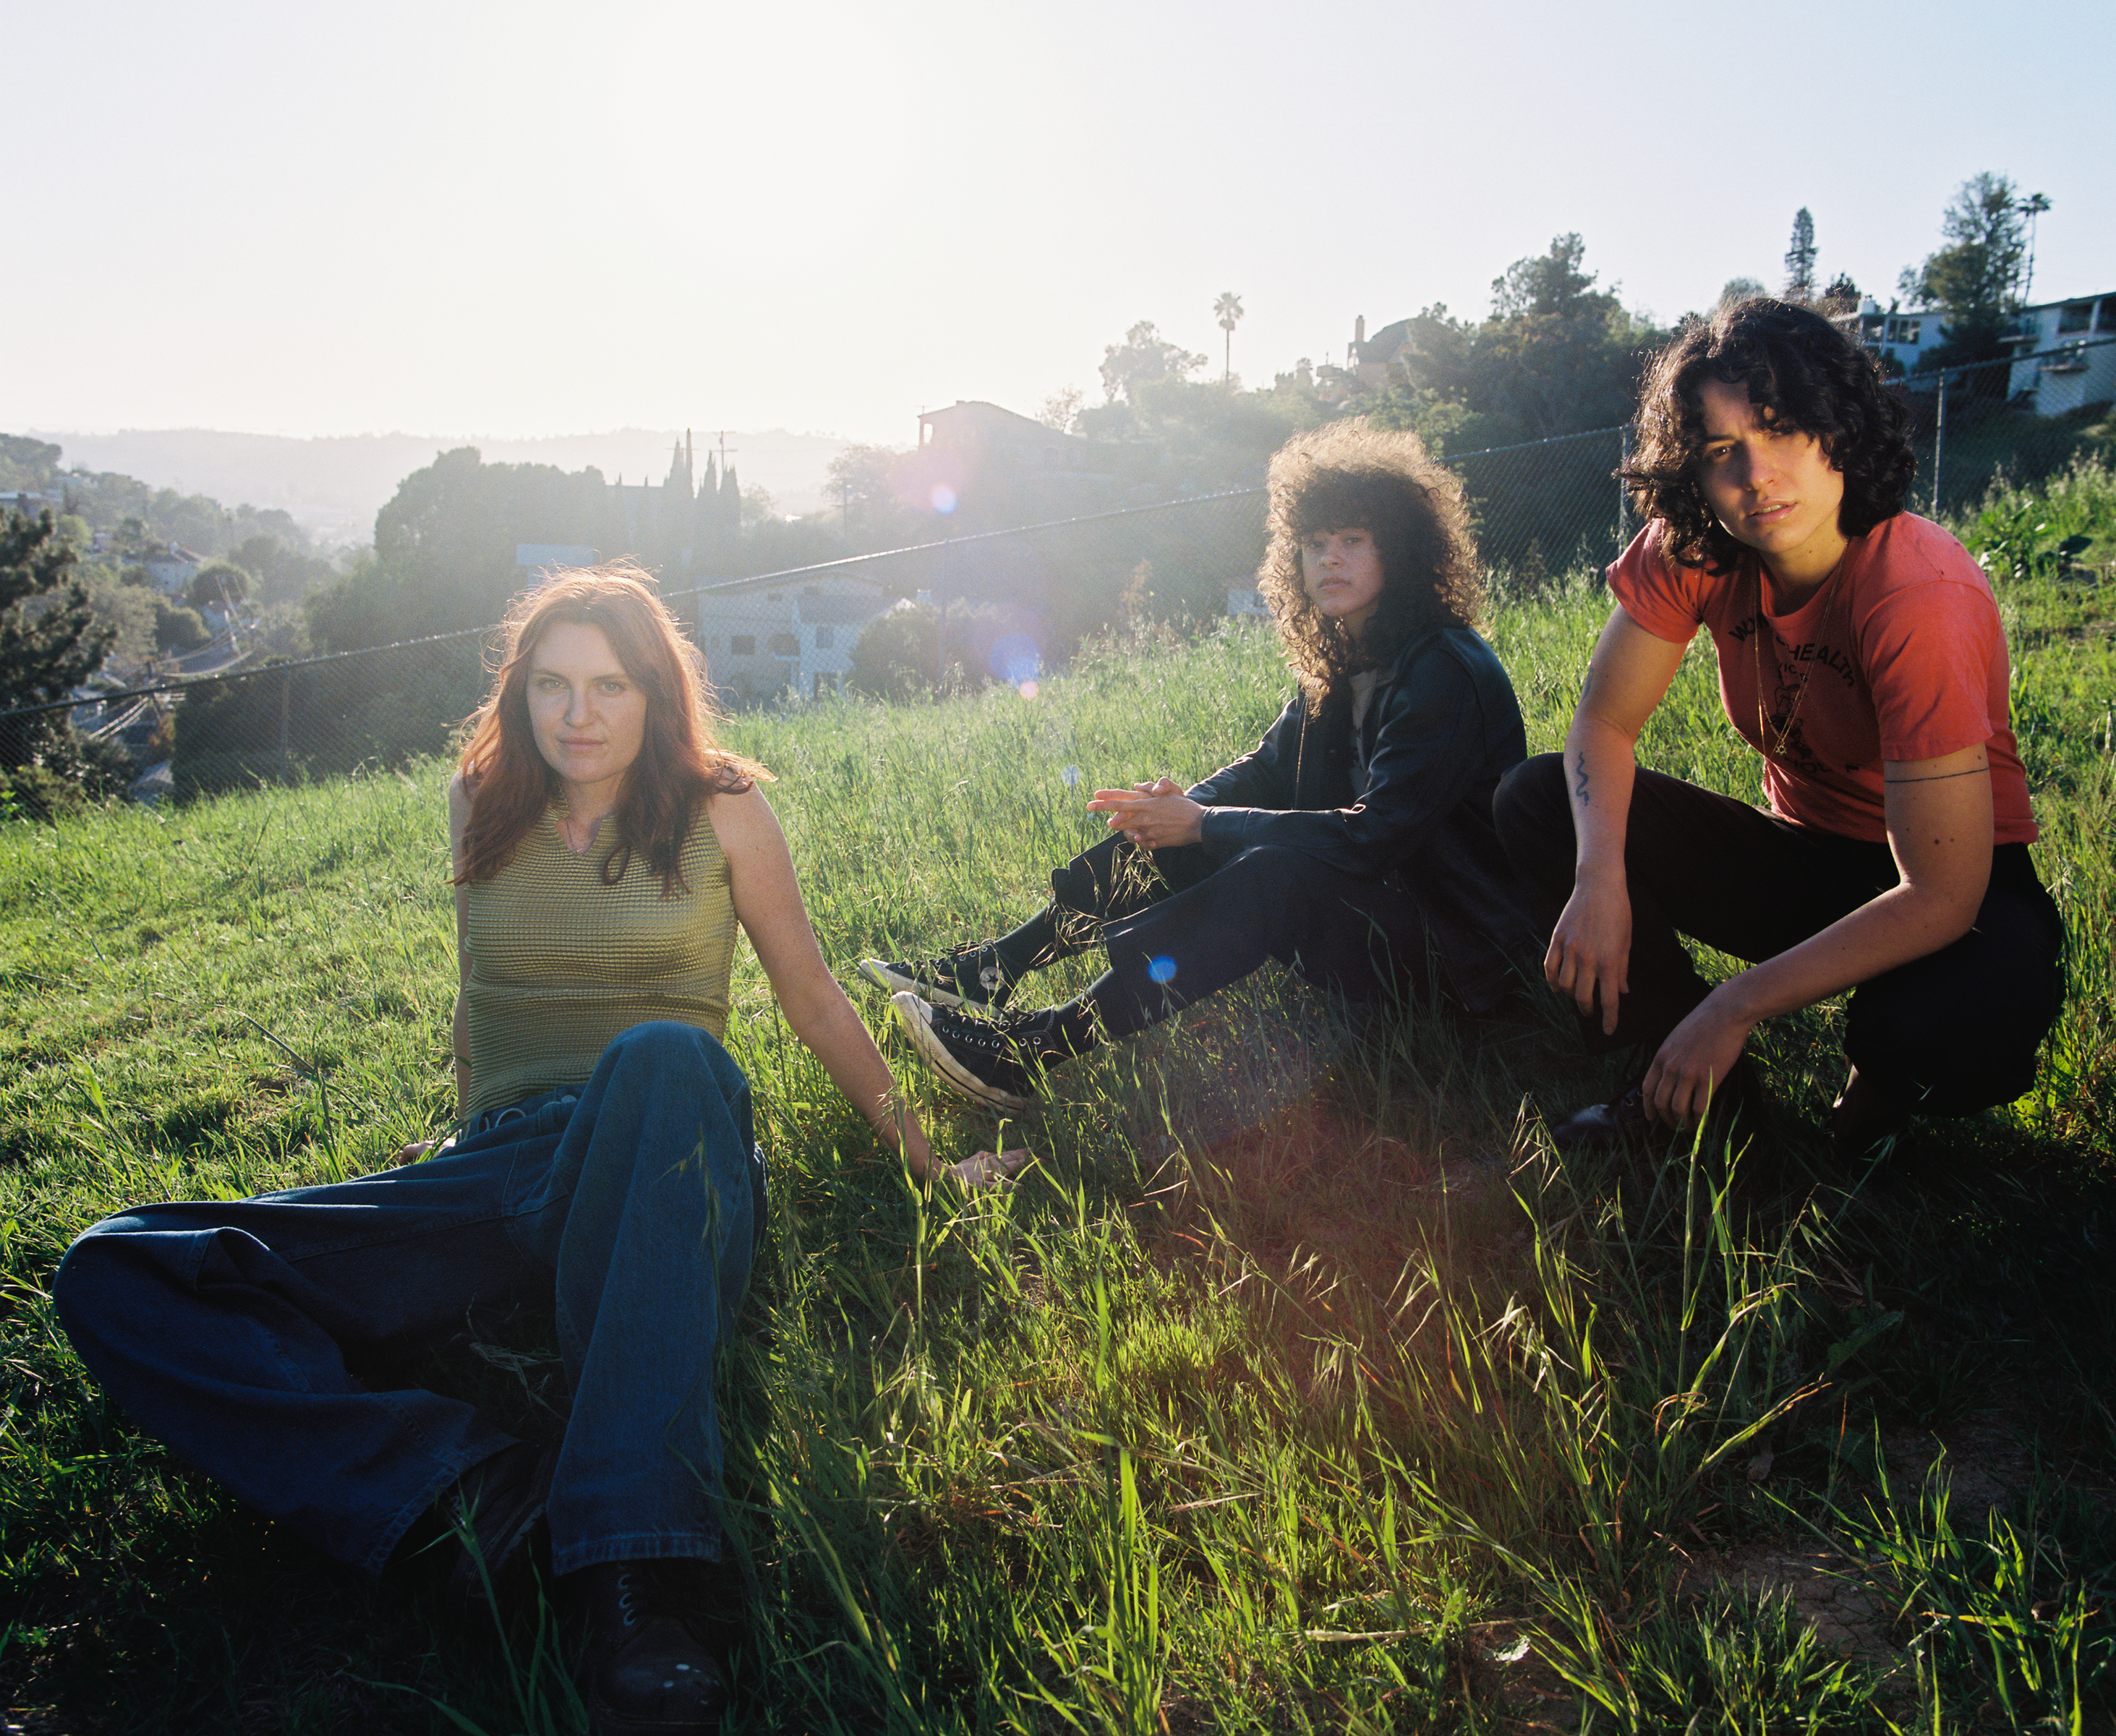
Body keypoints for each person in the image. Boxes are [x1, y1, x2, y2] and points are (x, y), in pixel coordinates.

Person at [52, 565, 978, 1736]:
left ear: (656, 693)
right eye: (551, 684)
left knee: (666, 1056)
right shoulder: (478, 798)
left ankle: (640, 1582)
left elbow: (813, 997)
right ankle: (475, 1503)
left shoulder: (724, 807)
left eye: (608, 685)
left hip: (660, 1151)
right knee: (122, 1263)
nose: (578, 713)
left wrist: (929, 1163)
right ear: (521, 692)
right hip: (499, 1166)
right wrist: (446, 1148)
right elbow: (478, 994)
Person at [1492, 298, 2062, 1157]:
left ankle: (1873, 1098)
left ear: (1837, 430)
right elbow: (1602, 726)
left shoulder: (1918, 593)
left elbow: (1938, 896)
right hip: (1805, 853)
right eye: (1720, 450)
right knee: (1538, 799)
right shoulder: (1692, 547)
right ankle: (1694, 1104)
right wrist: (1598, 875)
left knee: (1944, 1026)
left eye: (1780, 429)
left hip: (1959, 884)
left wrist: (1736, 1001)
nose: (1754, 475)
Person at [869, 418, 1539, 1110]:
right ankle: (993, 968)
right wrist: (1178, 811)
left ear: (1399, 550)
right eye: (1314, 543)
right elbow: (1267, 767)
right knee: (1184, 828)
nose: (1329, 559)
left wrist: (1206, 823)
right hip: (1377, 911)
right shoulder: (1348, 659)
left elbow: (1375, 835)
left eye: (1352, 540)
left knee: (1267, 864)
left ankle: (1028, 1052)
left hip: (1461, 956)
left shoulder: (1442, 672)